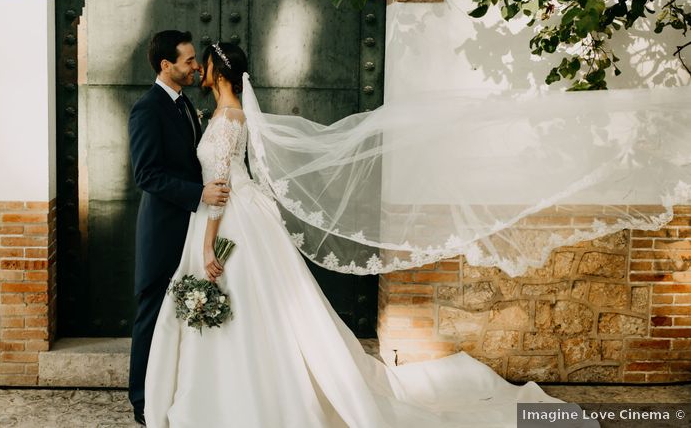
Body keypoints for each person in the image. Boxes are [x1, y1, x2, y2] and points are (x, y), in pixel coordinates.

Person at [142, 42, 566, 427]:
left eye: (206, 63)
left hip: (227, 217)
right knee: (261, 306)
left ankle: (236, 396)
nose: (200, 69)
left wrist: (206, 242)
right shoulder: (226, 116)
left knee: (241, 300)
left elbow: (219, 185)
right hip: (244, 215)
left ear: (220, 72)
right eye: (194, 62)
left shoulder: (226, 120)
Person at [127, 30, 231, 426]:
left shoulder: (185, 103)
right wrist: (199, 194)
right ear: (165, 66)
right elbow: (147, 174)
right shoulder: (147, 109)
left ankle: (169, 389)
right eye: (188, 61)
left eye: (195, 60)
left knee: (173, 315)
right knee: (151, 312)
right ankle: (141, 400)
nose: (196, 67)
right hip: (163, 227)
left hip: (190, 225)